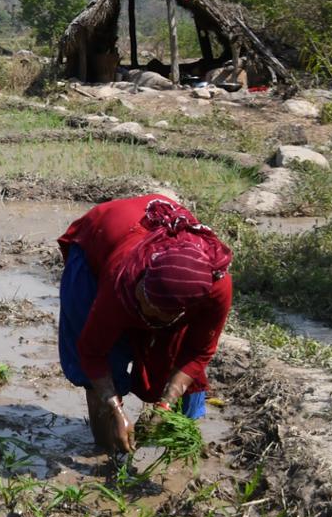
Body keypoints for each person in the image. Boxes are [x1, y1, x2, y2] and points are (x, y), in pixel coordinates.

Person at [56, 194, 234, 454]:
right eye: (142, 298)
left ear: (180, 311)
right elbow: (92, 352)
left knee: (179, 352)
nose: (141, 306)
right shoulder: (124, 280)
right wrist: (115, 408)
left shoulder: (215, 291)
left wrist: (164, 405)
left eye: (151, 309)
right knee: (105, 358)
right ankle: (107, 451)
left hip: (168, 285)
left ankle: (180, 449)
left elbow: (198, 352)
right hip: (103, 234)